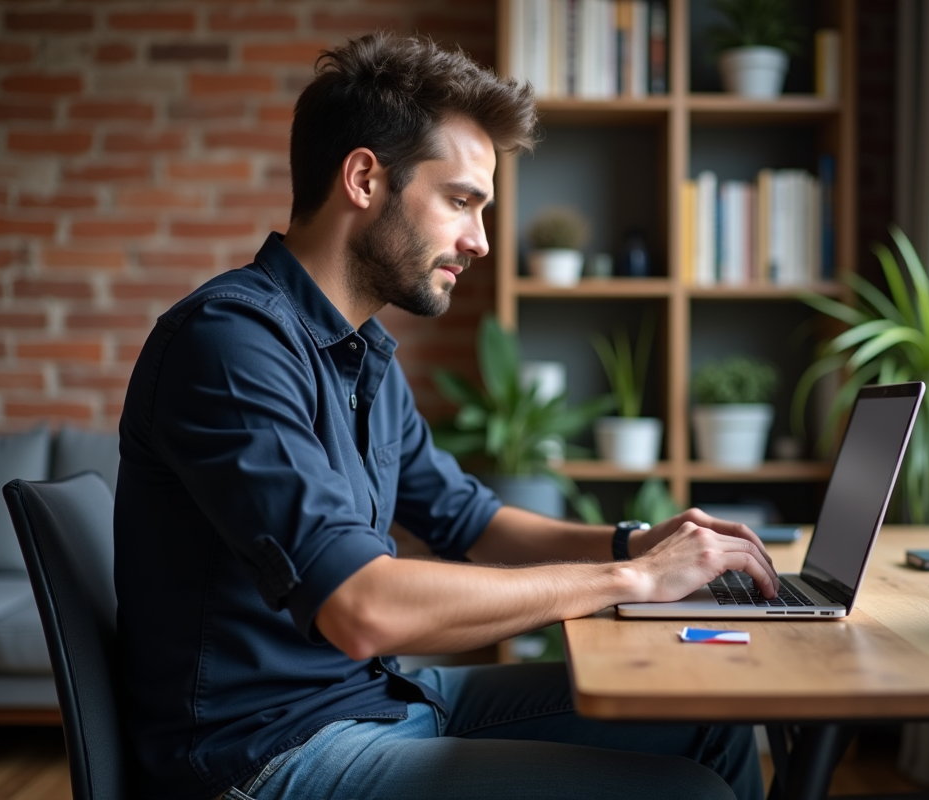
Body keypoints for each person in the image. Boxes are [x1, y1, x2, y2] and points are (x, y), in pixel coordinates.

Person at [115, 32, 780, 800]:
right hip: (267, 757)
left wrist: (640, 541)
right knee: (686, 795)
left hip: (376, 704)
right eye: (461, 201)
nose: (481, 240)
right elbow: (362, 608)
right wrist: (629, 577)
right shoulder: (229, 344)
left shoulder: (362, 352)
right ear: (364, 178)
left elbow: (471, 521)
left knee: (713, 712)